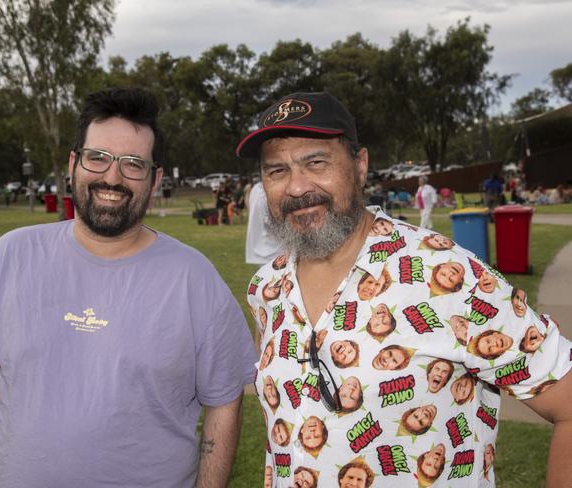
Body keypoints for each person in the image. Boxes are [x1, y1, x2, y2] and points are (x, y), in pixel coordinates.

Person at [238, 91, 572, 487]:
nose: (296, 187)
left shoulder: (445, 273)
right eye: (276, 171)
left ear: (360, 166)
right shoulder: (267, 288)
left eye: (316, 162)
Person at [0, 87, 257, 488]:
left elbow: (224, 405)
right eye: (98, 158)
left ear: (155, 179)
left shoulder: (194, 279)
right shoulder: (7, 258)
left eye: (133, 164)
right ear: (75, 162)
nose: (112, 177)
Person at [245, 181, 282, 264]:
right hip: (272, 251)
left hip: (262, 249)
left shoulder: (256, 189)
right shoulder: (266, 192)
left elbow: (250, 208)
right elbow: (272, 221)